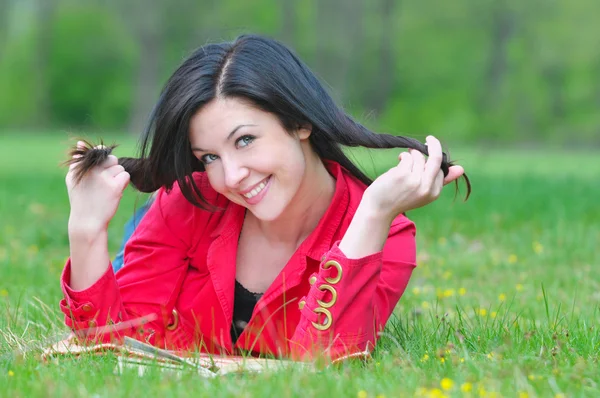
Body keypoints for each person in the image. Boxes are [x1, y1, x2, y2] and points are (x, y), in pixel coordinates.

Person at [61, 35, 469, 361]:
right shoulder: (191, 199)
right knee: (150, 227)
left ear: (300, 121)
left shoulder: (386, 234)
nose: (232, 175)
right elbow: (111, 344)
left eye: (246, 140)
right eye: (210, 157)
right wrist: (85, 230)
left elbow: (327, 361)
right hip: (181, 225)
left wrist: (373, 214)